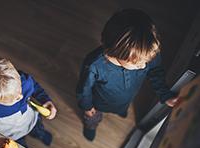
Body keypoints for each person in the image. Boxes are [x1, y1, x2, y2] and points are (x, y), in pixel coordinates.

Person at [76, 8, 179, 141]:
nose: (144, 66)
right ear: (117, 53)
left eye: (146, 62)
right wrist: (87, 107)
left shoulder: (145, 53)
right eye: (137, 64)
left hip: (126, 98)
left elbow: (155, 71)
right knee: (92, 116)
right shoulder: (94, 65)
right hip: (98, 103)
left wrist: (165, 95)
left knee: (122, 106)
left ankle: (120, 110)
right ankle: (91, 125)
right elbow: (83, 90)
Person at [0, 53, 57, 146]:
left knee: (38, 129)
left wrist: (46, 100)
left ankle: (42, 135)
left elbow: (35, 86)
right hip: (10, 136)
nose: (21, 96)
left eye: (20, 89)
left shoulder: (24, 81)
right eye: (14, 99)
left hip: (30, 120)